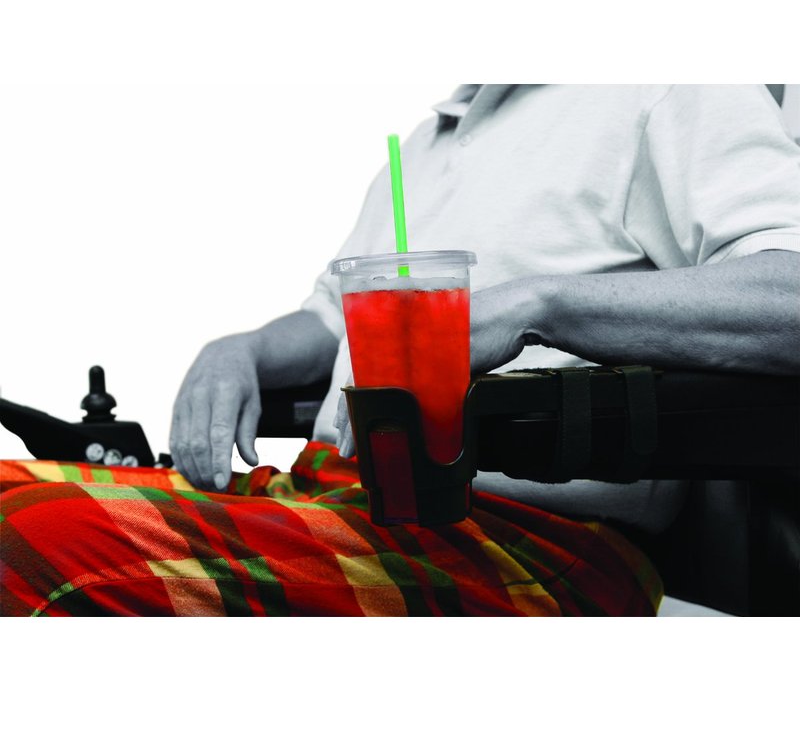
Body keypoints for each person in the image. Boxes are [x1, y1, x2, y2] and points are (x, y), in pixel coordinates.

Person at [3, 85, 799, 616]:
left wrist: (537, 305)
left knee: (33, 543)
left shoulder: (663, 85)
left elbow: (788, 294)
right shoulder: (430, 136)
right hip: (342, 497)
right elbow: (336, 317)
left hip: (519, 541)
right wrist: (237, 350)